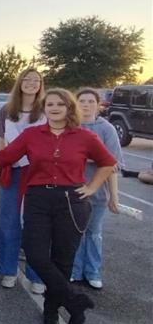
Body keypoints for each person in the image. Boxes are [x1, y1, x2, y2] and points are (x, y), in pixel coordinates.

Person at [0, 89, 116, 324]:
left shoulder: (84, 136)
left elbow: (108, 163)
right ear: (44, 109)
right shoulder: (32, 135)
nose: (54, 108)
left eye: (59, 104)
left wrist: (92, 187)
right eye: (49, 104)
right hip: (38, 200)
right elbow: (4, 156)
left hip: (71, 202)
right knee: (35, 255)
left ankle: (51, 312)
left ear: (69, 108)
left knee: (62, 261)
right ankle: (74, 300)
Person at [0, 67, 46, 293]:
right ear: (20, 82)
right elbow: (1, 141)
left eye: (36, 80)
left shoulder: (45, 109)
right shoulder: (7, 110)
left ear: (41, 84)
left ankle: (37, 275)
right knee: (9, 220)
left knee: (38, 224)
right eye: (27, 79)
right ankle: (8, 270)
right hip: (12, 171)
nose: (31, 83)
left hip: (39, 173)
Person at [71, 88, 123, 289]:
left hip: (98, 192)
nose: (86, 104)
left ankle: (92, 271)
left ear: (98, 104)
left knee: (93, 233)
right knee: (76, 232)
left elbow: (112, 165)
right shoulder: (70, 127)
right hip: (73, 191)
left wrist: (114, 197)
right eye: (81, 100)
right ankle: (74, 270)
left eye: (90, 101)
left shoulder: (106, 129)